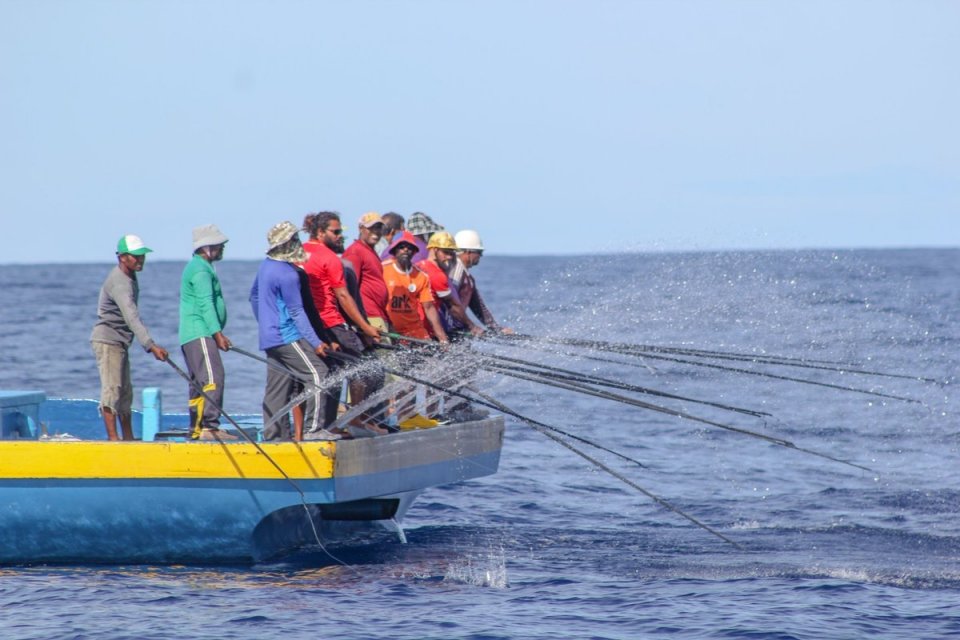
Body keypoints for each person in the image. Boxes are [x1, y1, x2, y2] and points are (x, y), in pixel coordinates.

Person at [249, 221, 339, 441]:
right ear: (287, 244)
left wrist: (266, 323)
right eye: (295, 240)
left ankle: (274, 436)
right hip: (287, 335)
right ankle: (314, 430)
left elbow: (254, 297)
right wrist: (316, 342)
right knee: (318, 373)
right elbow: (297, 312)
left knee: (277, 388)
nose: (300, 244)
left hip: (270, 337)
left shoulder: (265, 265)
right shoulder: (288, 274)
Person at [302, 212, 386, 434]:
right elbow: (344, 297)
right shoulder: (329, 258)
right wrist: (366, 328)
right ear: (320, 232)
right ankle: (354, 419)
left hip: (312, 324)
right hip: (330, 322)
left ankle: (330, 425)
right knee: (364, 368)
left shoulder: (301, 252)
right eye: (336, 232)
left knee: (335, 372)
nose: (340, 236)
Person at [90, 234, 169, 441]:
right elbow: (131, 316)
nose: (140, 260)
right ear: (122, 257)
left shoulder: (130, 277)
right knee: (112, 389)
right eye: (135, 256)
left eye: (142, 256)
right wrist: (150, 345)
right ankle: (114, 439)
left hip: (121, 342)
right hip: (108, 341)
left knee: (125, 391)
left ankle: (127, 437)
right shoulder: (119, 282)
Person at [179, 224, 235, 441]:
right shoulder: (201, 270)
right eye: (219, 245)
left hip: (193, 335)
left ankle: (196, 429)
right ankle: (210, 428)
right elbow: (206, 304)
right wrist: (217, 333)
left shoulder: (198, 266)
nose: (222, 249)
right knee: (213, 377)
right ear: (207, 247)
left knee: (199, 382)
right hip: (200, 332)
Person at [382, 231, 448, 343]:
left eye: (410, 247)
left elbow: (429, 308)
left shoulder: (422, 276)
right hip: (389, 329)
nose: (406, 250)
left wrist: (442, 338)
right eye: (402, 247)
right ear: (394, 250)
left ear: (414, 252)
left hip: (414, 330)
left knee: (431, 356)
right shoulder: (382, 269)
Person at [415, 231, 484, 338]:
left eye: (452, 253)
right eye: (446, 252)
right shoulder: (437, 274)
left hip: (418, 327)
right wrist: (472, 327)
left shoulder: (418, 266)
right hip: (428, 330)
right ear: (434, 250)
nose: (450, 257)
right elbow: (453, 306)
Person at [448, 229, 513, 335]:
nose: (481, 256)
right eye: (479, 252)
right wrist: (471, 326)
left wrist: (496, 329)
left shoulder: (468, 278)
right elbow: (450, 304)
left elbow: (478, 307)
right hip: (450, 331)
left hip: (459, 329)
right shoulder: (456, 271)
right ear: (468, 252)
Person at [343, 212, 391, 335]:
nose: (376, 231)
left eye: (379, 228)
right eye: (371, 228)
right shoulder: (355, 252)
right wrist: (362, 324)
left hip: (379, 313)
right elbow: (349, 289)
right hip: (369, 315)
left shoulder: (369, 251)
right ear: (361, 228)